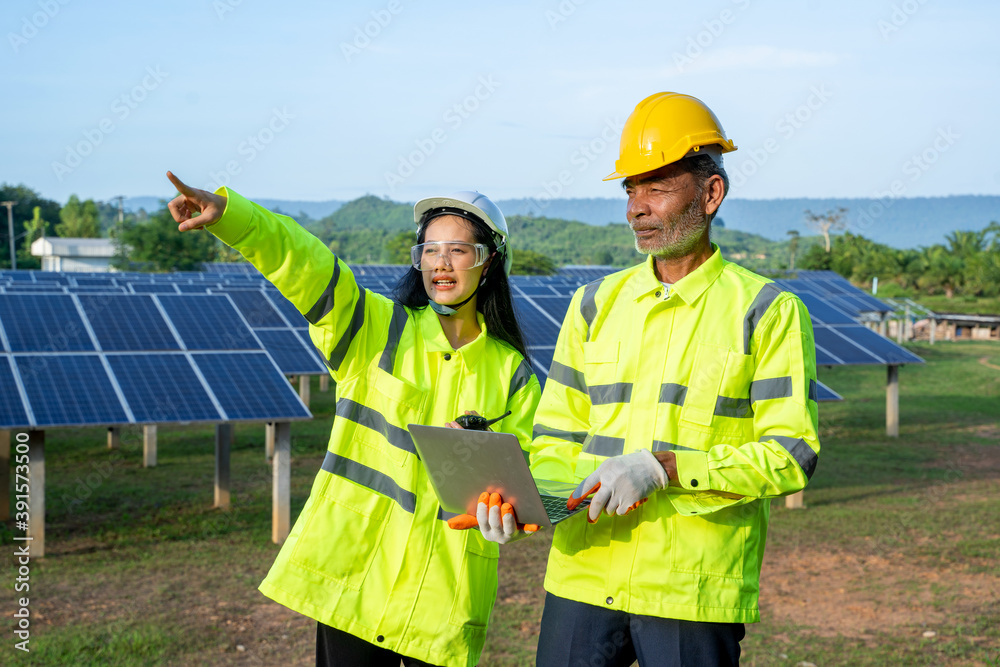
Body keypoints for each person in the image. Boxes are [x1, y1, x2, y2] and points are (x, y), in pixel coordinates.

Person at [474, 92, 822, 666]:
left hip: (692, 588)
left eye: (656, 186)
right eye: (630, 189)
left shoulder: (766, 310)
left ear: (711, 194)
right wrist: (526, 501)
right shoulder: (592, 304)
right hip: (584, 575)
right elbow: (556, 440)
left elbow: (791, 454)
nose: (636, 207)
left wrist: (666, 469)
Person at [165, 172, 541, 667]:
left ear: (489, 262)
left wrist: (509, 512)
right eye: (429, 250)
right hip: (354, 582)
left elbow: (535, 473)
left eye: (458, 250)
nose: (441, 264)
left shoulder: (513, 374)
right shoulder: (375, 329)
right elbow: (306, 262)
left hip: (444, 599)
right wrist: (234, 217)